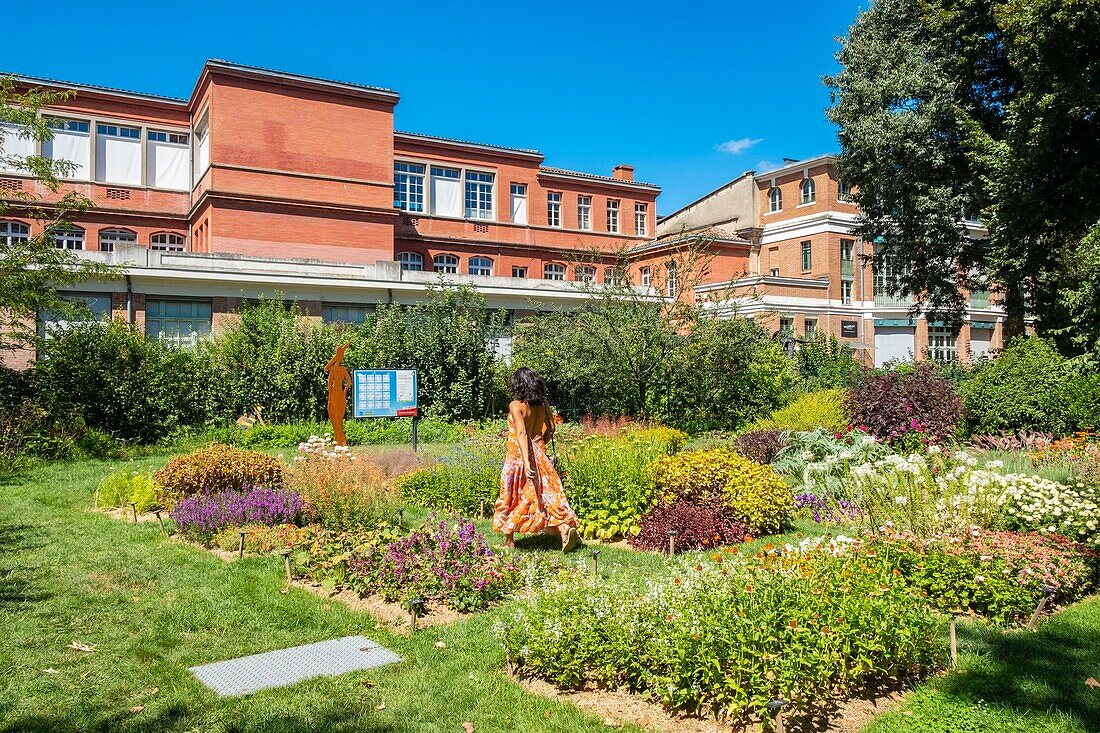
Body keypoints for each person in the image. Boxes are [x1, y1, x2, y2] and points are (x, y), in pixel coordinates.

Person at [493, 367, 580, 552]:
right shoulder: (543, 405)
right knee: (546, 493)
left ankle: (509, 542)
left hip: (517, 456)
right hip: (539, 453)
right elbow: (551, 429)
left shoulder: (515, 406)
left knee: (511, 493)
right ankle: (564, 527)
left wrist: (525, 460)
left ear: (518, 385)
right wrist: (540, 444)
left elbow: (522, 433)